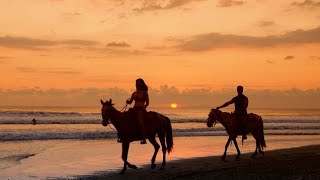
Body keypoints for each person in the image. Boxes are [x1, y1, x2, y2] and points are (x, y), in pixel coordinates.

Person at [126, 78, 149, 144]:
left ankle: (144, 138)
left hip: (141, 109)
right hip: (134, 108)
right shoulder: (134, 93)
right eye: (136, 83)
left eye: (138, 83)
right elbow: (130, 102)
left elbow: (147, 103)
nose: (137, 84)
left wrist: (143, 108)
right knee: (127, 119)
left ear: (141, 84)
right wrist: (128, 101)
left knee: (140, 122)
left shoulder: (144, 93)